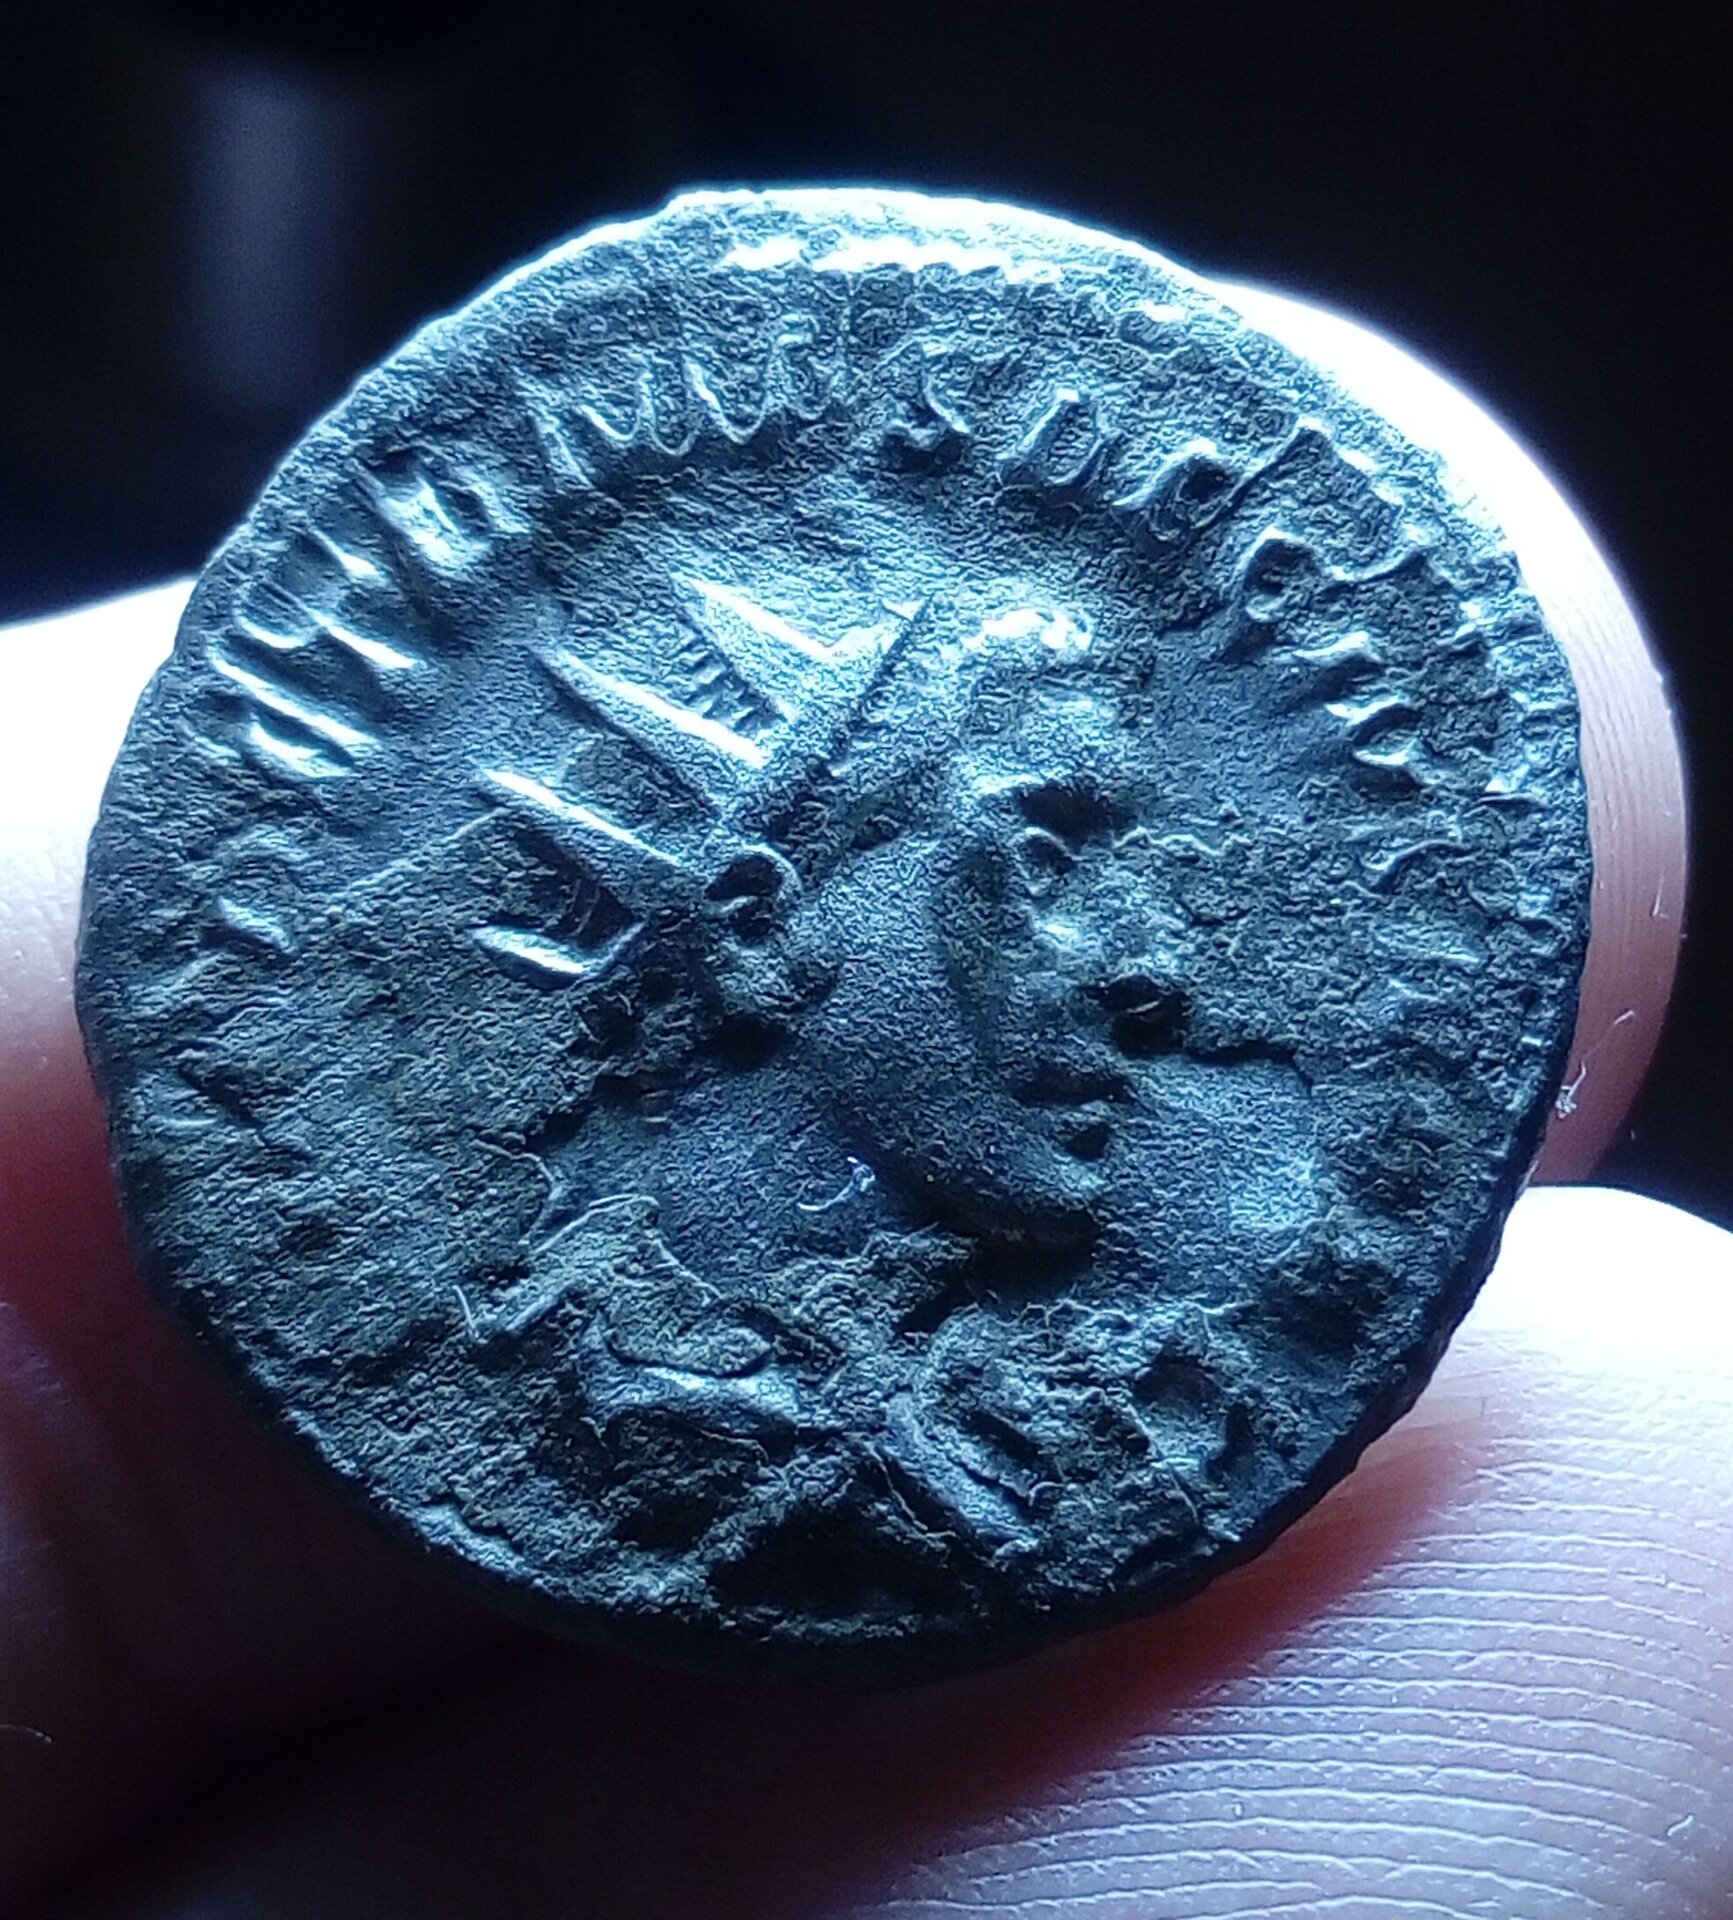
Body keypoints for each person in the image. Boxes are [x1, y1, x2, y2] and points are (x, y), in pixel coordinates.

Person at [0, 287, 1717, 1918]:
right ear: (758, 929)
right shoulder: (609, 1393)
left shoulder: (964, 1430)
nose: (1152, 973)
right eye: (1044, 856)